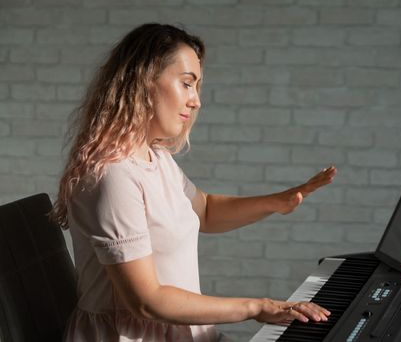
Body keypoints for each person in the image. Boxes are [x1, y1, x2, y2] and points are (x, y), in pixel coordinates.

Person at [51, 23, 337, 342]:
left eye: (196, 87)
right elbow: (147, 301)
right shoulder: (112, 175)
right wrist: (256, 306)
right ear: (142, 81)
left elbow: (204, 211)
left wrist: (278, 202)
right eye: (187, 84)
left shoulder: (155, 158)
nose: (196, 101)